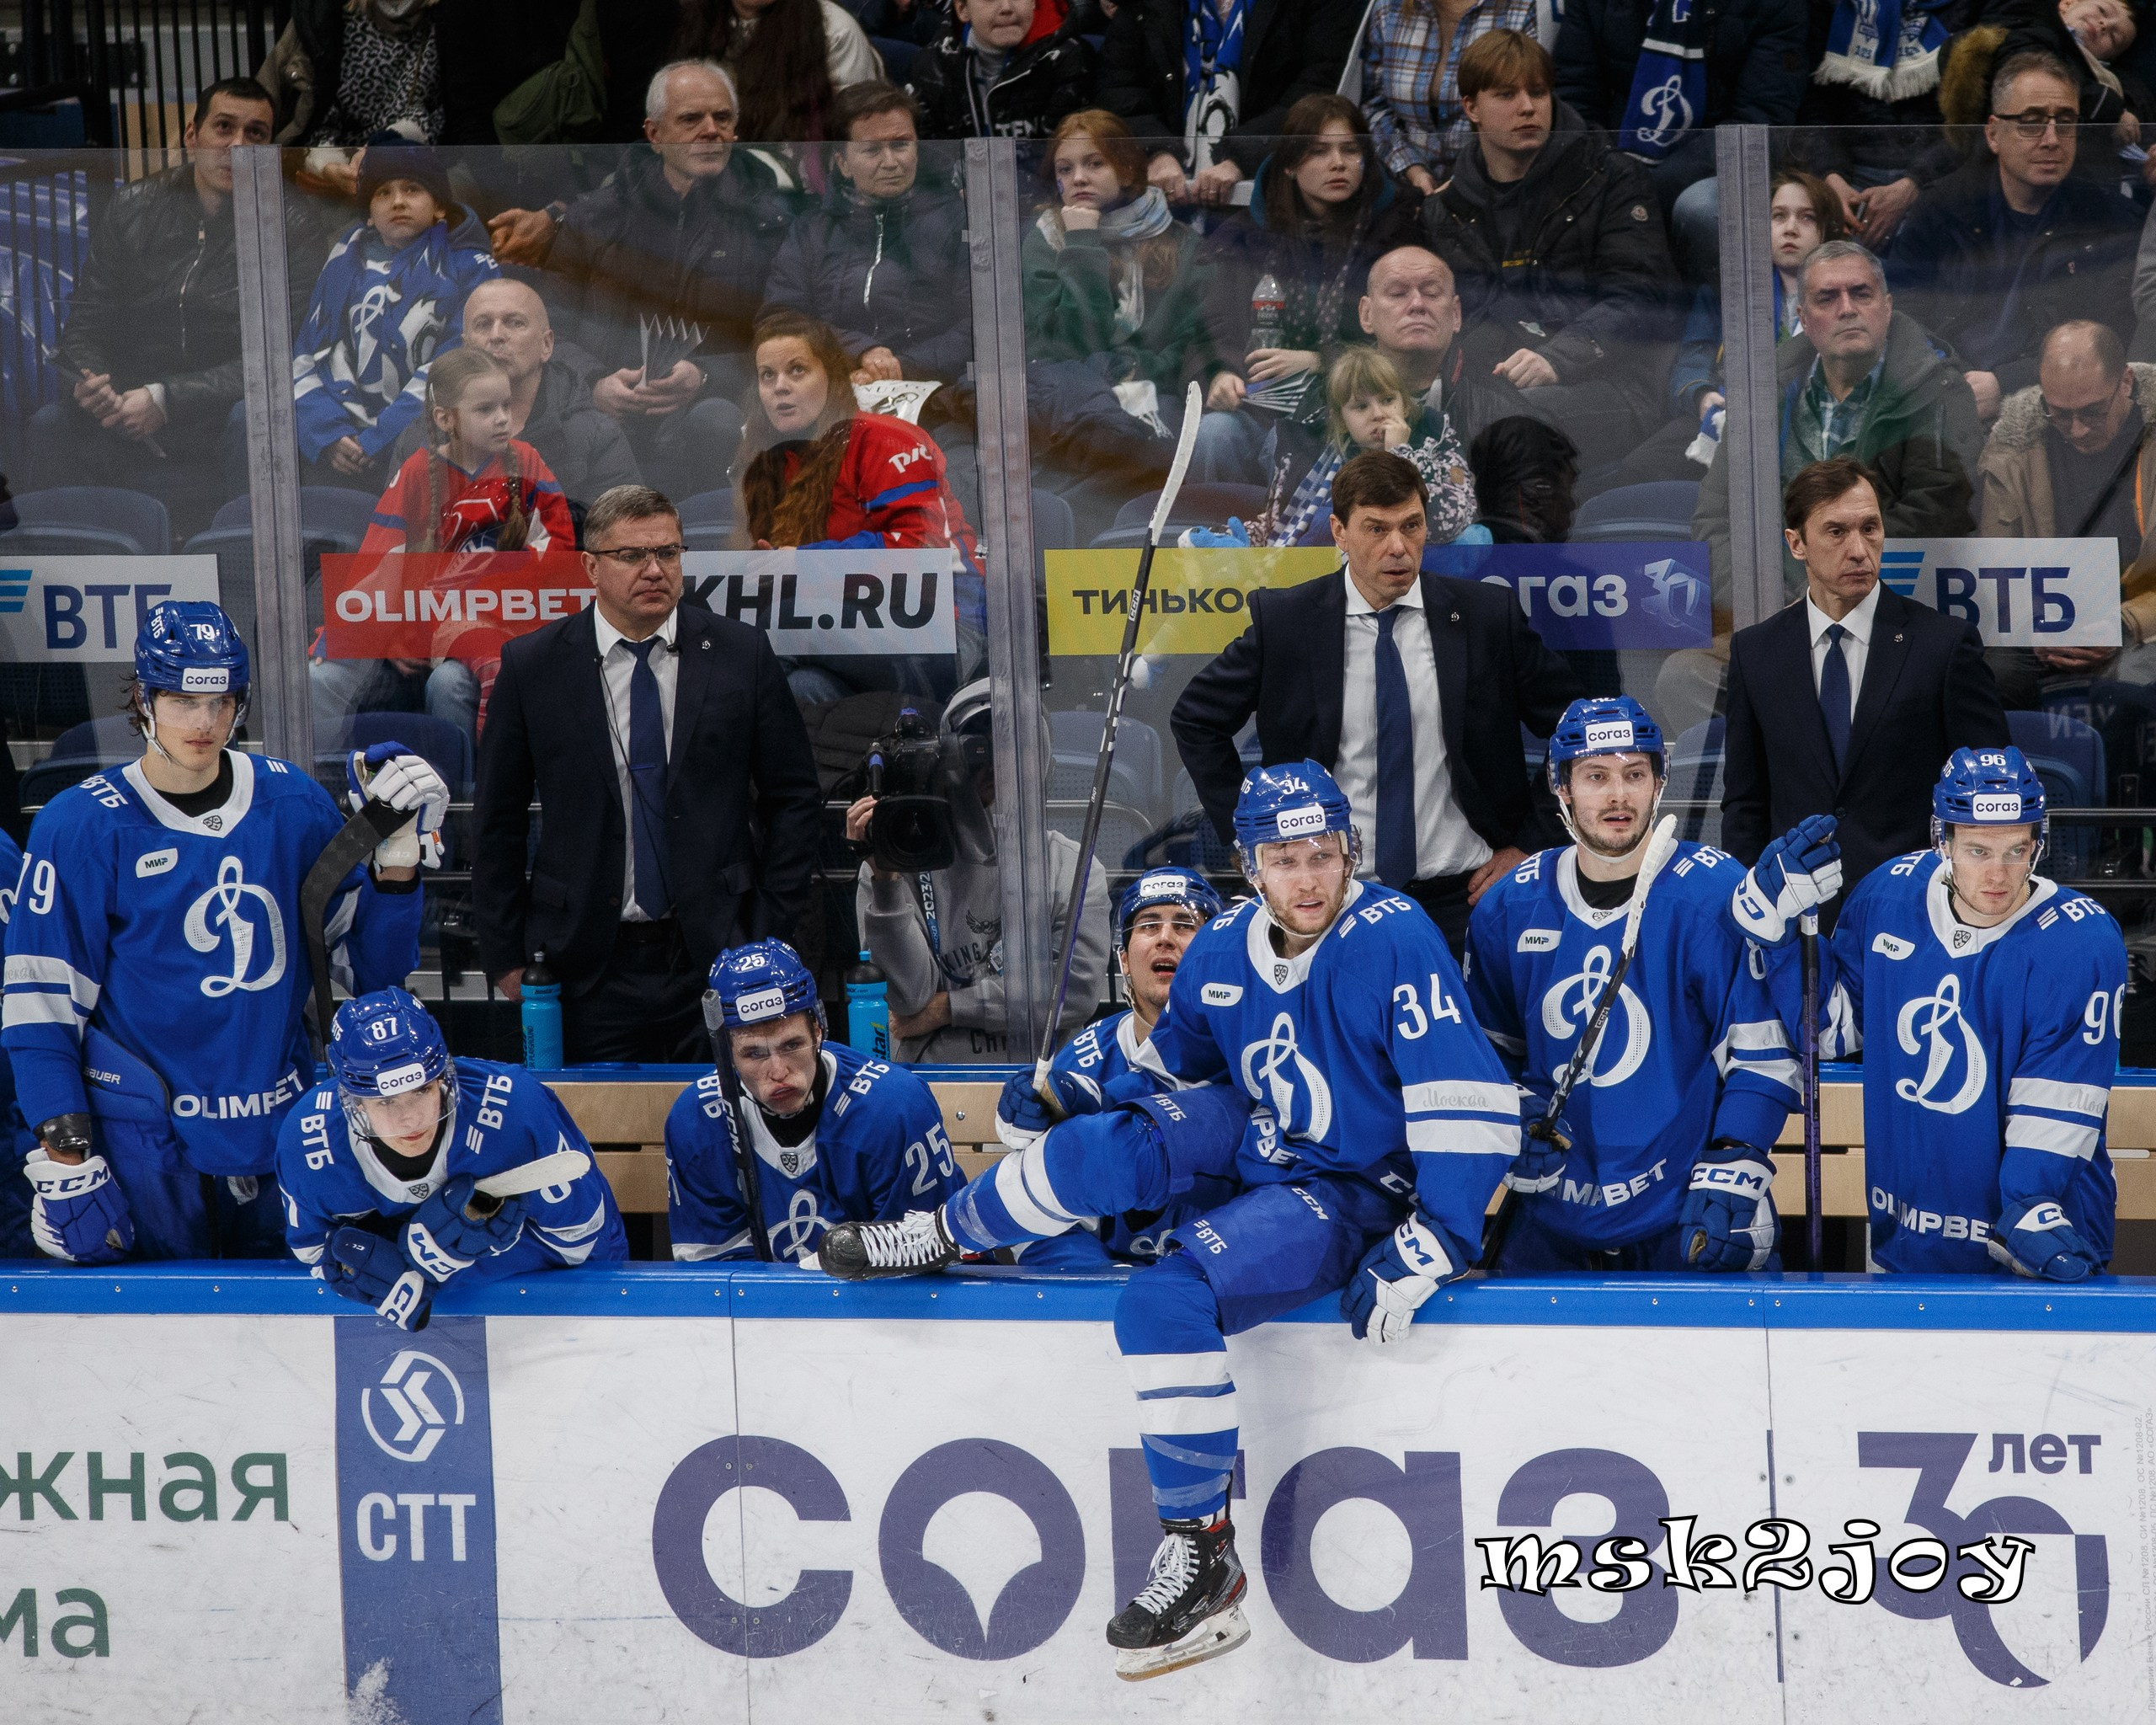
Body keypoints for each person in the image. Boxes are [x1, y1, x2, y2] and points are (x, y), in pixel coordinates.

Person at [818, 760, 1520, 1680]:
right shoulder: (1224, 943)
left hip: (1355, 1180)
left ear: (1349, 851)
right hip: (1262, 1131)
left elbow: (1465, 1098)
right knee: (1095, 1148)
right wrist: (1080, 1090)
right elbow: (1177, 1068)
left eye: (1323, 854)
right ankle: (939, 1232)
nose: (1307, 878)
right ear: (1248, 864)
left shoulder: (1394, 934)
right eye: (1284, 858)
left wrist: (1435, 1238)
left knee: (1158, 1303)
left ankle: (1201, 1549)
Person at [2, 602, 437, 1264]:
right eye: (181, 700)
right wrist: (65, 1153)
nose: (204, 723)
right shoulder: (80, 826)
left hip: (282, 1131)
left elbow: (366, 972)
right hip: (140, 1149)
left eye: (221, 701)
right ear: (144, 701)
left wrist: (397, 863)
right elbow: (41, 1008)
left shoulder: (294, 804)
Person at [1171, 450, 1581, 951]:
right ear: (1339, 533)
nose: (1398, 548)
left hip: (1467, 898)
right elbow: (1195, 719)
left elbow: (1576, 728)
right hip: (1332, 902)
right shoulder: (1289, 623)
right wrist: (1249, 835)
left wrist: (1531, 844)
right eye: (1376, 529)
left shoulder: (1484, 618)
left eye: (1412, 526)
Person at [1465, 696, 1818, 1272]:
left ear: (1658, 785)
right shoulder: (1511, 905)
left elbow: (1762, 1055)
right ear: (1562, 788)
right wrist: (1509, 1120)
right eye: (1596, 776)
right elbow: (1486, 1058)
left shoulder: (1714, 893)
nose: (1617, 796)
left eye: (1634, 774)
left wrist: (1738, 1153)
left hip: (1685, 1209)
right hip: (1550, 1211)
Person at [472, 484, 824, 1062]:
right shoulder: (533, 666)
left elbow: (794, 799)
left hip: (718, 953)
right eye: (632, 555)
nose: (654, 569)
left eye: (669, 552)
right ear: (590, 566)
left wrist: (769, 928)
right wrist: (507, 954)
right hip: (583, 961)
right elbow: (497, 821)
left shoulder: (741, 653)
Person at [1785, 746, 2126, 1278]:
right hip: (1901, 1234)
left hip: (2034, 1243)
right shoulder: (1888, 897)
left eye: (2017, 850)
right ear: (1941, 840)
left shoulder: (2080, 942)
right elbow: (1828, 1032)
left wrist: (2027, 1209)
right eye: (1977, 851)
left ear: (2039, 843)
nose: (1999, 874)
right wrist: (1777, 932)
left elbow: (2059, 1099)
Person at [1721, 458, 2010, 927]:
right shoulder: (1756, 652)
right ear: (1797, 543)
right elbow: (1746, 803)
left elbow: (1987, 796)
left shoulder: (1944, 646)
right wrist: (1751, 909)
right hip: (1798, 922)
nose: (1859, 550)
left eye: (1870, 528)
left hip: (1919, 915)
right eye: (1836, 532)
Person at [1687, 239, 1983, 646]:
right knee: (1682, 676)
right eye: (1827, 298)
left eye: (1861, 293)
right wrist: (1768, 602)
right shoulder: (1763, 394)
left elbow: (1939, 516)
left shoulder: (1939, 390)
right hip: (1779, 613)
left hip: (1896, 626)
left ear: (1887, 305)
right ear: (1804, 319)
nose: (1847, 308)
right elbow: (1718, 519)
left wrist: (1828, 598)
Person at [276, 987, 627, 1328]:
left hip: (552, 1309)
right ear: (351, 1101)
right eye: (386, 1102)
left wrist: (441, 1268)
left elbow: (581, 1240)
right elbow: (315, 1252)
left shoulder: (516, 1113)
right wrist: (371, 1268)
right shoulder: (306, 1144)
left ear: (444, 1076)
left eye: (422, 1090)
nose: (410, 1119)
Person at [37, 77, 291, 532]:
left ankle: (243, 573)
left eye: (255, 134)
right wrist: (99, 389)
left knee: (251, 424)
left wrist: (168, 397)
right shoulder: (133, 206)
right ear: (193, 137)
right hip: (127, 412)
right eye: (224, 127)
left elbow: (287, 353)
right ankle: (57, 576)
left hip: (221, 416)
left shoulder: (289, 222)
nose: (238, 145)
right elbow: (86, 323)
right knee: (50, 425)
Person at [1417, 29, 1677, 471]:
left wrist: (1558, 358)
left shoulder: (1612, 179)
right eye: (1506, 94)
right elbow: (1458, 319)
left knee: (1499, 427)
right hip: (1488, 387)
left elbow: (1640, 297)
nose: (1528, 107)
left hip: (1613, 385)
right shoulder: (1446, 209)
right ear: (1471, 107)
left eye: (1538, 92)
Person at [541, 61, 792, 499]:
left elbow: (784, 332)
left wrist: (707, 376)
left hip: (710, 412)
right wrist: (594, 384)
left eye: (723, 118)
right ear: (654, 135)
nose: (711, 130)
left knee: (716, 420)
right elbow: (547, 326)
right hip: (603, 407)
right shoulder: (594, 217)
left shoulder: (767, 221)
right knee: (569, 430)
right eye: (691, 119)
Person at [849, 678, 1111, 1060]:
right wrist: (886, 881)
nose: (994, 765)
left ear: (1041, 759)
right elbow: (908, 1001)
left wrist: (947, 1010)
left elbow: (1074, 994)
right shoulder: (898, 864)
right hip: (934, 1082)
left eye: (1012, 749)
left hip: (1044, 1084)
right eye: (977, 748)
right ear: (949, 759)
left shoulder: (1071, 865)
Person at [989, 867, 1236, 1267]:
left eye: (1185, 924)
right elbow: (1035, 1202)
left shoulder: (1250, 1051)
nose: (1165, 938)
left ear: (1215, 953)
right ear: (1123, 957)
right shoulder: (1083, 1061)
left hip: (1219, 1272)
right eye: (1148, 925)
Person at [664, 938, 962, 1262]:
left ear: (819, 1031)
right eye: (753, 1053)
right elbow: (718, 1282)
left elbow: (930, 1258)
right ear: (726, 1054)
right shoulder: (697, 1121)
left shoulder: (894, 1111)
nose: (778, 1071)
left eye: (792, 1045)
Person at [1888, 51, 2138, 425]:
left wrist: (2006, 383)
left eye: (2066, 122)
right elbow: (1902, 316)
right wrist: (1951, 382)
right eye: (2031, 122)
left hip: (2064, 412)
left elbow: (2112, 338)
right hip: (1947, 398)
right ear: (1992, 133)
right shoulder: (1942, 209)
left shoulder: (2107, 218)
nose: (2052, 139)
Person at [1192, 93, 1419, 485]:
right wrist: (1218, 374)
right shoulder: (1245, 235)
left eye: (1351, 150)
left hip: (1355, 413)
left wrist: (1319, 360)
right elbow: (1210, 326)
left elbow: (1407, 339)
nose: (1339, 164)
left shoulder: (1395, 233)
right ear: (1291, 165)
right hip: (1262, 407)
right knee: (1214, 432)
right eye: (1319, 152)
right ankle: (1225, 543)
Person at [291, 142, 499, 487]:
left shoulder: (471, 266)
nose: (398, 201)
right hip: (340, 437)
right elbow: (307, 352)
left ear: (439, 208)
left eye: (413, 189)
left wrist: (381, 437)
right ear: (370, 213)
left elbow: (462, 361)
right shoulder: (343, 261)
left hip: (425, 437)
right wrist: (327, 433)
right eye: (383, 193)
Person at [1980, 320, 2156, 700]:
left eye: (2092, 412)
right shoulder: (2013, 450)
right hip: (2047, 621)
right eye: (2058, 413)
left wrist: (2122, 626)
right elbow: (1997, 564)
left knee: (2132, 680)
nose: (2076, 430)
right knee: (1988, 674)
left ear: (2126, 382)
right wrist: (2031, 627)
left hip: (2144, 622)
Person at [1552, 0, 1806, 263]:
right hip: (1615, 160)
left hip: (1717, 166)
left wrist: (1638, 186)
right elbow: (1576, 93)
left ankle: (1709, 303)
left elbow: (1759, 117)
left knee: (1700, 208)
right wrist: (1608, 167)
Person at [1631, 168, 1839, 489]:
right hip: (1724, 417)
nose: (1791, 229)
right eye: (1778, 216)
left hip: (1805, 424)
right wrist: (1702, 395)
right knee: (1643, 467)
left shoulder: (1846, 293)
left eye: (1807, 218)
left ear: (1825, 232)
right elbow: (1693, 358)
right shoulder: (1723, 290)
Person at [761, 84, 976, 385]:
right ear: (843, 163)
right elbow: (781, 318)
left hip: (938, 389)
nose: (890, 162)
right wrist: (860, 351)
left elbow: (981, 325)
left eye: (901, 145)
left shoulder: (959, 223)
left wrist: (900, 368)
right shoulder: (812, 231)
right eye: (872, 150)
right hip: (835, 384)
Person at [736, 310, 980, 563]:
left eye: (797, 370)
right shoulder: (764, 455)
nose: (780, 387)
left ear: (832, 377)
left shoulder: (887, 440)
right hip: (831, 599)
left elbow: (924, 546)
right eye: (767, 374)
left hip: (944, 597)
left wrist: (807, 562)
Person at [388, 279, 643, 518]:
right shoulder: (421, 439)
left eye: (515, 323)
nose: (497, 335)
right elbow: (395, 548)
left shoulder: (597, 436)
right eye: (483, 324)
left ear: (546, 345)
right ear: (466, 348)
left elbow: (618, 542)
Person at [1022, 110, 1219, 404]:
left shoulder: (1182, 242)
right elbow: (1070, 348)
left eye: (1095, 164)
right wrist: (1082, 243)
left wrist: (1137, 368)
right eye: (1064, 169)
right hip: (1067, 398)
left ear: (1126, 170)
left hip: (1158, 395)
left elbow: (1194, 342)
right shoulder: (1045, 239)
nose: (1078, 178)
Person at [1096, 0, 1365, 205]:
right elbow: (1118, 86)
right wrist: (1155, 152)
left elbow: (1317, 91)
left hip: (1273, 195)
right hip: (1158, 199)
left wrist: (1240, 158)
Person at [1265, 344, 1479, 547]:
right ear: (1341, 421)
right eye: (1361, 406)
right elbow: (1277, 529)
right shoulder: (1314, 455)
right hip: (1335, 570)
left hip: (1418, 565)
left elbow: (1447, 523)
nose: (1378, 414)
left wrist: (1401, 458)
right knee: (1324, 518)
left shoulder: (1438, 437)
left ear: (1404, 405)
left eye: (1387, 400)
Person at [1359, 0, 1540, 196]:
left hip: (1495, 187)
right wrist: (1412, 169)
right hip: (1404, 187)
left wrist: (1461, 181)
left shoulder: (1521, 9)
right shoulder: (1389, 9)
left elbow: (1528, 113)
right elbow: (1373, 107)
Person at [1354, 245, 1519, 450]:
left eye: (1431, 293)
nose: (1417, 304)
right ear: (1366, 314)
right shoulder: (1331, 399)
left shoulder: (1503, 410)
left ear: (1456, 315)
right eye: (1398, 293)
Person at [666, 0, 884, 146]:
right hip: (715, 165)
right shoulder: (694, 21)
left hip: (800, 178)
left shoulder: (835, 31)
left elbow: (857, 132)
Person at [905, 0, 1097, 141]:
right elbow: (932, 163)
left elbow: (1066, 157)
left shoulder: (1069, 58)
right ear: (963, 9)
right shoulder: (931, 66)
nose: (1006, 7)